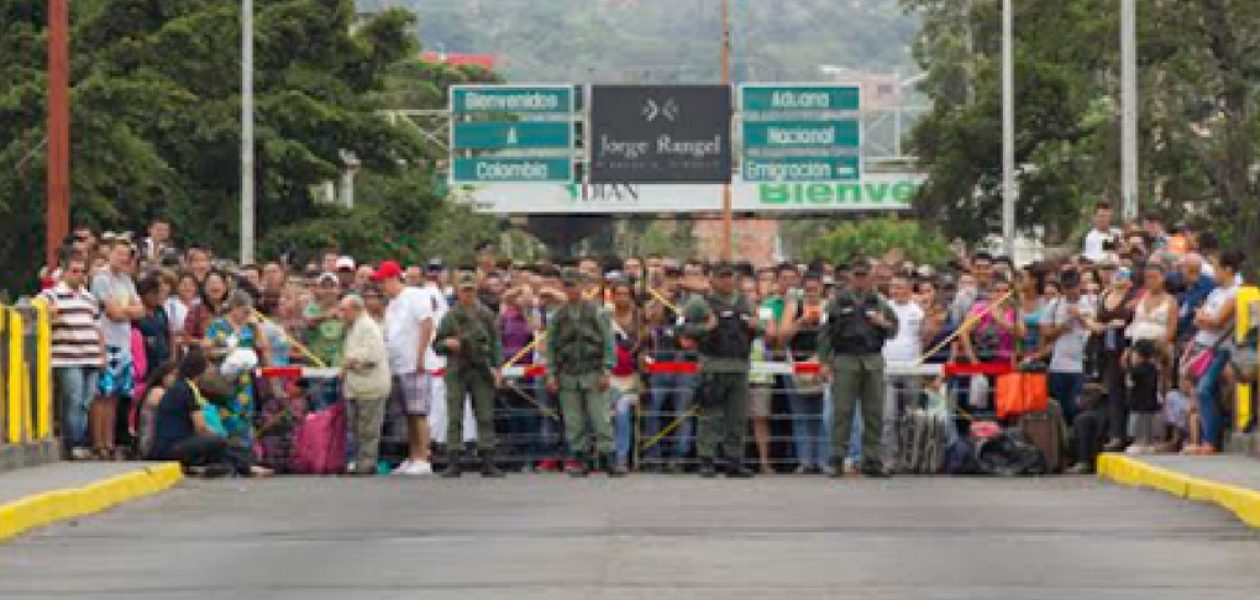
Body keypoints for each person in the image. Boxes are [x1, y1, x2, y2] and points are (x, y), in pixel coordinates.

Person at [819, 260, 899, 478]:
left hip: (872, 359)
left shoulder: (879, 302)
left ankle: (871, 459)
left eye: (865, 275)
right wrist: (824, 362)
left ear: (870, 277)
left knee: (874, 412)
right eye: (857, 275)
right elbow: (825, 332)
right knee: (842, 411)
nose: (861, 279)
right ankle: (837, 458)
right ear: (851, 277)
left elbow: (894, 330)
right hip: (845, 359)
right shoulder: (837, 301)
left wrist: (883, 323)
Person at [681, 263, 759, 478]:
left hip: (739, 366)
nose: (727, 281)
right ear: (712, 279)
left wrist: (756, 326)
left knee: (737, 417)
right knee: (709, 416)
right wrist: (705, 328)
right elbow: (681, 329)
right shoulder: (700, 303)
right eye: (722, 277)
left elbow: (761, 328)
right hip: (713, 365)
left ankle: (734, 460)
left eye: (730, 277)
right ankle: (706, 459)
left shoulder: (745, 301)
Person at [149, 349, 267, 476]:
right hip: (171, 448)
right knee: (218, 440)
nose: (211, 372)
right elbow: (201, 427)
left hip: (165, 446)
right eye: (208, 368)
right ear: (200, 371)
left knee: (216, 443)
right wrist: (220, 436)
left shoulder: (179, 387)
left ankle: (240, 467)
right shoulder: (187, 390)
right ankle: (246, 468)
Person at [546, 269, 617, 477]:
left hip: (593, 372)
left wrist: (606, 370)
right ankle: (581, 459)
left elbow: (608, 343)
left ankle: (608, 458)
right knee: (573, 421)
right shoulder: (558, 315)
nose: (571, 290)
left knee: (600, 418)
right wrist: (551, 374)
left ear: (582, 287)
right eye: (567, 286)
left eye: (575, 285)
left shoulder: (597, 312)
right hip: (568, 373)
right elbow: (551, 346)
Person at [434, 273, 504, 478]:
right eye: (464, 290)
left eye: (471, 290)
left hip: (481, 370)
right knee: (454, 414)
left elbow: (495, 342)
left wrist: (497, 368)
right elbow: (437, 344)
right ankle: (454, 459)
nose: (468, 294)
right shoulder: (450, 316)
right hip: (457, 368)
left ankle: (487, 458)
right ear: (458, 292)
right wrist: (447, 344)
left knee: (485, 414)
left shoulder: (486, 315)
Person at [40, 255, 104, 460]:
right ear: (64, 272)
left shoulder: (89, 297)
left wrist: (101, 355)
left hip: (91, 356)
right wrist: (50, 314)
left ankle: (78, 441)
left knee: (87, 401)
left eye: (82, 272)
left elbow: (98, 328)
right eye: (74, 271)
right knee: (73, 399)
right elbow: (38, 313)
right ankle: (74, 443)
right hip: (67, 357)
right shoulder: (50, 295)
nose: (78, 276)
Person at [377, 260, 437, 476]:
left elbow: (426, 324)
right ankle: (413, 456)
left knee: (418, 411)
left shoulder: (416, 296)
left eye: (383, 281)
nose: (381, 287)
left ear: (393, 278)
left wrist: (421, 356)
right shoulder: (392, 304)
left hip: (415, 364)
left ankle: (424, 457)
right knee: (408, 413)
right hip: (399, 365)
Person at [1183, 250, 1242, 455]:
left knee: (1204, 389)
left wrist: (1203, 317)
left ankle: (1210, 439)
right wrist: (1203, 318)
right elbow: (1200, 317)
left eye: (1216, 268)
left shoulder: (1235, 293)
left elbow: (1217, 321)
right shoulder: (1216, 293)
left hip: (1219, 349)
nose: (1213, 272)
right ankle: (1202, 437)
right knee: (1201, 391)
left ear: (1227, 270)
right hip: (1203, 346)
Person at [91, 242, 144, 460]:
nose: (123, 258)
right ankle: (99, 443)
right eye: (119, 253)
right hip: (105, 340)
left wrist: (126, 311)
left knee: (115, 396)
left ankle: (110, 442)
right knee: (102, 394)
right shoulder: (101, 279)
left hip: (123, 343)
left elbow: (140, 311)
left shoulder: (127, 280)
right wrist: (127, 311)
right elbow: (113, 313)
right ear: (110, 253)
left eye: (127, 255)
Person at [780, 272, 829, 474]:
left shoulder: (829, 307)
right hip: (797, 364)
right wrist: (800, 322)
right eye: (807, 290)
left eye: (814, 289)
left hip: (822, 364)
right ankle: (805, 460)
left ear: (822, 289)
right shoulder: (794, 306)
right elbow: (782, 337)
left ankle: (823, 459)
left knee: (822, 416)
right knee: (801, 415)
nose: (811, 294)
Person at [339, 295, 392, 476]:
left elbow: (373, 356)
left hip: (371, 387)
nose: (342, 314)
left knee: (369, 429)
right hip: (356, 387)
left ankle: (367, 464)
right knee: (357, 428)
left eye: (344, 310)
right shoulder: (354, 328)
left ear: (355, 309)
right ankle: (358, 462)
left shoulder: (369, 328)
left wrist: (350, 362)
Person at [881, 275, 925, 471]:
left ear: (909, 289)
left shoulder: (918, 310)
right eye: (892, 287)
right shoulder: (884, 308)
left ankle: (910, 459)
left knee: (911, 416)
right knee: (888, 417)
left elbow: (925, 338)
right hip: (887, 368)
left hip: (912, 368)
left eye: (899, 287)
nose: (895, 290)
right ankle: (888, 459)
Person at [1042, 269, 1094, 425]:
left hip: (1081, 364)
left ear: (1080, 285)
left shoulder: (1090, 302)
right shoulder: (1055, 304)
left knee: (1076, 405)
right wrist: (1062, 327)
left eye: (1074, 287)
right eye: (1067, 288)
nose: (1071, 292)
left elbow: (1095, 327)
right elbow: (1046, 332)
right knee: (1060, 405)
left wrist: (1078, 315)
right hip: (1059, 364)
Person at [1125, 340, 1161, 455]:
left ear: (1138, 354)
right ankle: (1149, 444)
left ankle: (1139, 443)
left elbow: (1130, 383)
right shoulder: (1153, 369)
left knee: (1138, 425)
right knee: (1149, 425)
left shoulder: (1135, 370)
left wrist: (1127, 366)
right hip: (1151, 403)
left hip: (1138, 404)